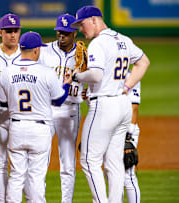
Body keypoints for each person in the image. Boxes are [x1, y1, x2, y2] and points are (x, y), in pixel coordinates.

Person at [70, 6, 150, 203]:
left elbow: (95, 75)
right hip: (122, 105)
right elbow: (144, 62)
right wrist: (127, 86)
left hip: (104, 106)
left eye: (82, 24)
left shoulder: (98, 44)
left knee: (89, 161)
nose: (81, 29)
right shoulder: (123, 39)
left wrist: (77, 76)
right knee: (114, 163)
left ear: (94, 20)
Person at [0, 31, 73, 203]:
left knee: (16, 176)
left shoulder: (7, 72)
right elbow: (59, 100)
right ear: (36, 50)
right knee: (36, 177)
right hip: (40, 130)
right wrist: (66, 85)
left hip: (16, 127)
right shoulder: (46, 72)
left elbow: (2, 102)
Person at [0, 13, 30, 202]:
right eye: (8, 31)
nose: (12, 35)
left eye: (15, 30)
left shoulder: (27, 54)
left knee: (21, 164)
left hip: (20, 113)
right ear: (0, 32)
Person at [38, 13, 84, 203]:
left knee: (67, 164)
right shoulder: (43, 51)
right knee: (40, 161)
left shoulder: (84, 55)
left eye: (66, 33)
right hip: (46, 110)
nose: (61, 36)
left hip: (70, 111)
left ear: (74, 33)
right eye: (59, 32)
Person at [124, 70, 141, 203]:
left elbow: (134, 107)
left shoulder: (131, 76)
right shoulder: (106, 73)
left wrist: (129, 137)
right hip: (111, 130)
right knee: (112, 175)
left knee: (128, 176)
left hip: (127, 130)